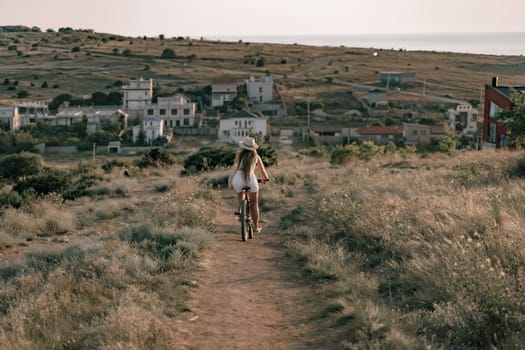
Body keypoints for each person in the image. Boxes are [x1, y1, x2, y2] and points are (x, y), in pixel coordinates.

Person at [228, 136, 270, 233]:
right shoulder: (256, 157)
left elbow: (234, 168)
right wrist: (265, 179)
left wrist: (230, 182)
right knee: (254, 203)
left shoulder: (239, 156)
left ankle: (240, 208)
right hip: (251, 180)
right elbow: (262, 171)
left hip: (238, 179)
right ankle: (255, 227)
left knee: (240, 193)